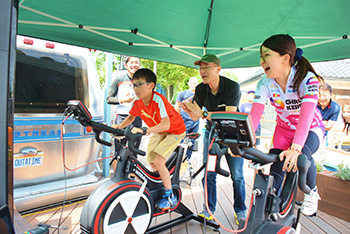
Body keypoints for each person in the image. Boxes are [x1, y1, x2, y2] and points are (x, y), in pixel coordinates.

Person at [249, 34, 325, 216]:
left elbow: (306, 117)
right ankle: (273, 205)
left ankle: (311, 192)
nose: (261, 61)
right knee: (276, 164)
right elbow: (255, 115)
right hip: (283, 129)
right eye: (260, 56)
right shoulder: (264, 83)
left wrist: (296, 147)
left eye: (266, 55)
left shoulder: (308, 79)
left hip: (309, 129)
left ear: (285, 58)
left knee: (302, 157)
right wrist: (244, 139)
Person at [180, 54, 247, 224]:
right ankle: (208, 210)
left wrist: (202, 113)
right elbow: (196, 117)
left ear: (218, 68)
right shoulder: (201, 89)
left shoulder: (232, 87)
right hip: (212, 135)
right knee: (209, 173)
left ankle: (241, 211)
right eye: (200, 68)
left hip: (233, 137)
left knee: (237, 175)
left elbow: (228, 115)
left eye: (206, 67)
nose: (202, 71)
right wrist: (189, 109)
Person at [113, 68, 186, 211]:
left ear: (151, 86)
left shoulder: (158, 99)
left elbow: (166, 124)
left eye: (139, 84)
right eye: (134, 85)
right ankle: (164, 180)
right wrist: (119, 128)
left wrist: (144, 130)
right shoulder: (137, 102)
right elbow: (131, 117)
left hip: (175, 130)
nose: (135, 88)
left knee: (159, 161)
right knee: (152, 162)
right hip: (159, 130)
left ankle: (169, 196)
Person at [106, 56, 142, 158]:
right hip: (121, 118)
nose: (134, 65)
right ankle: (117, 174)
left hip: (136, 119)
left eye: (136, 63)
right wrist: (123, 100)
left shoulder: (143, 81)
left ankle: (131, 174)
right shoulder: (119, 79)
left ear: (139, 65)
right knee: (119, 151)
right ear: (126, 65)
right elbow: (109, 99)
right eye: (131, 62)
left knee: (134, 151)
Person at [175, 77, 200, 161]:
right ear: (189, 83)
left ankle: (187, 159)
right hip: (184, 121)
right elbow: (177, 105)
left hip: (196, 121)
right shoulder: (183, 93)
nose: (193, 85)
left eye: (195, 83)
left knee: (192, 141)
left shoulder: (200, 94)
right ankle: (177, 159)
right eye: (191, 83)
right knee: (180, 140)